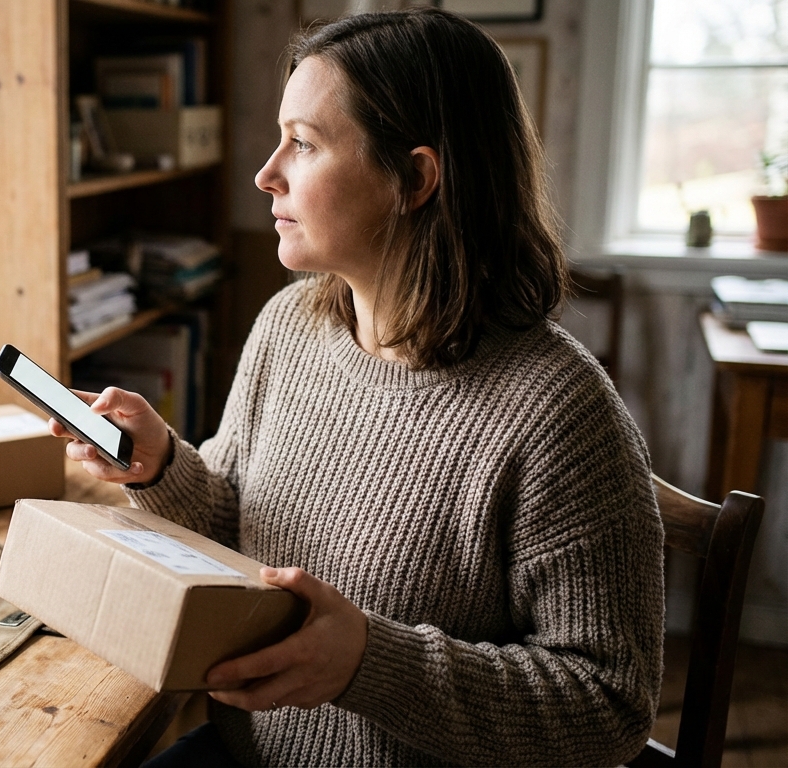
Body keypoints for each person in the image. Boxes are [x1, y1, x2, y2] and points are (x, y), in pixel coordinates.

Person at [50, 8, 664, 767]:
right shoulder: (289, 326)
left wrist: (371, 662)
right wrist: (163, 467)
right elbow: (240, 528)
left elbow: (609, 706)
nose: (265, 172)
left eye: (302, 144)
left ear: (413, 179)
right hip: (246, 752)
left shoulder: (559, 415)